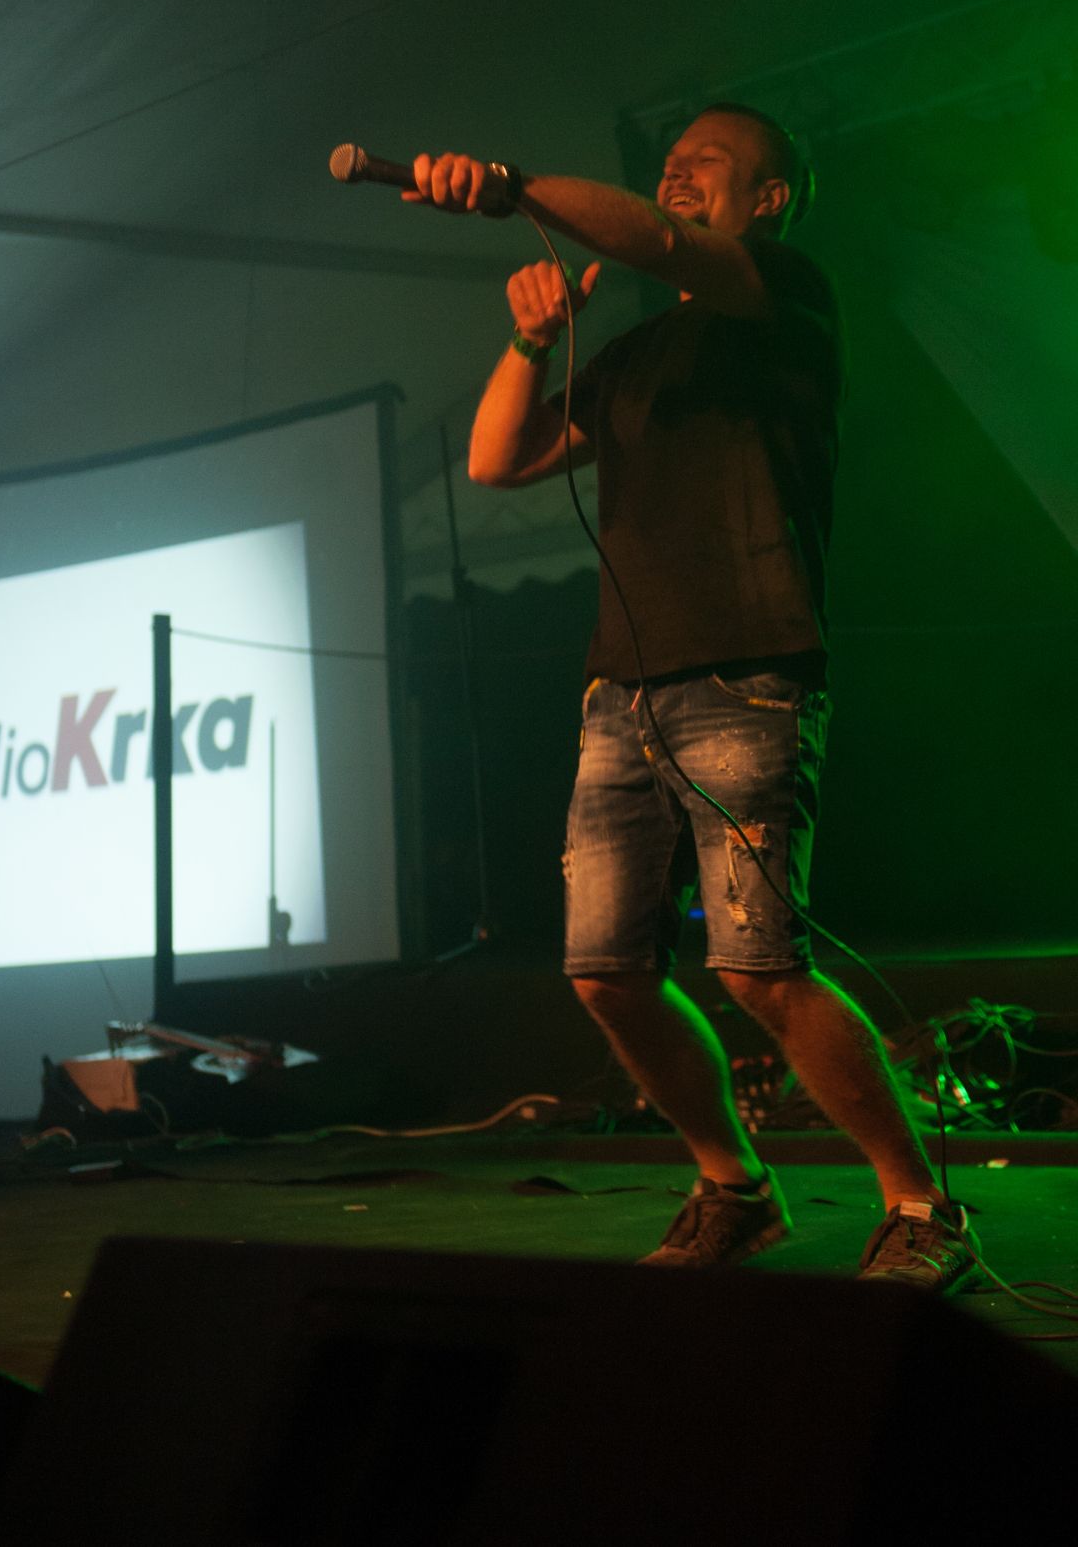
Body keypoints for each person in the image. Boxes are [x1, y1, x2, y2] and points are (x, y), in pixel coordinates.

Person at [406, 106, 980, 1291]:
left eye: (705, 162)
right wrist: (528, 342)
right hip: (620, 693)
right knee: (605, 972)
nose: (676, 173)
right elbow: (497, 461)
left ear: (769, 199)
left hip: (746, 671)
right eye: (667, 163)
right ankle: (735, 1188)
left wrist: (514, 182)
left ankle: (924, 1206)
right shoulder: (634, 359)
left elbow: (663, 247)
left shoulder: (785, 294)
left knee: (757, 967)